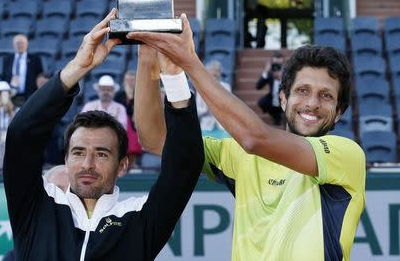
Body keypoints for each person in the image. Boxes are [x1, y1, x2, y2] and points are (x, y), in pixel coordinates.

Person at [128, 15, 366, 261]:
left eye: (326, 96)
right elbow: (155, 139)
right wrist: (147, 58)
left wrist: (189, 62)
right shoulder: (238, 154)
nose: (312, 103)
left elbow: (254, 138)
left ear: (339, 112)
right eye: (302, 91)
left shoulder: (347, 155)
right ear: (283, 99)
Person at [3, 9, 204, 260]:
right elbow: (21, 134)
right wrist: (77, 67)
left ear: (122, 166)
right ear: (65, 159)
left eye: (101, 154)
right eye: (78, 152)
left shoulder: (139, 220)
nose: (87, 164)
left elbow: (185, 166)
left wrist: (174, 77)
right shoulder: (35, 208)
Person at [1, 34, 43, 104]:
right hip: (12, 96)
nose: (20, 45)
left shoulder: (35, 59)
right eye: (17, 43)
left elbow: (40, 77)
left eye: (22, 43)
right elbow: (4, 77)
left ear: (27, 44)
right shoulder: (7, 59)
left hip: (29, 96)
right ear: (13, 44)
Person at [114, 70, 143, 168]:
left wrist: (131, 99)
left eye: (133, 79)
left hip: (136, 124)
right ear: (124, 80)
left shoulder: (139, 94)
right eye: (128, 79)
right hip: (121, 123)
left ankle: (132, 163)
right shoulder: (119, 95)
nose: (130, 81)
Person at [196, 59, 231, 133]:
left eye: (217, 72)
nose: (214, 74)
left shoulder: (226, 87)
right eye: (212, 73)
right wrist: (207, 110)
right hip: (206, 125)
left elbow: (229, 107)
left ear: (220, 73)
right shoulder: (201, 88)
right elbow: (198, 109)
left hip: (222, 125)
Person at [256, 51, 284, 126]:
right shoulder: (269, 73)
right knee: (262, 102)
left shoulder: (286, 72)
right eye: (275, 64)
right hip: (273, 97)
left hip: (284, 97)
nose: (276, 67)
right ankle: (275, 115)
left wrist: (281, 78)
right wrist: (265, 72)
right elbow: (258, 87)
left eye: (279, 64)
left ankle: (282, 116)